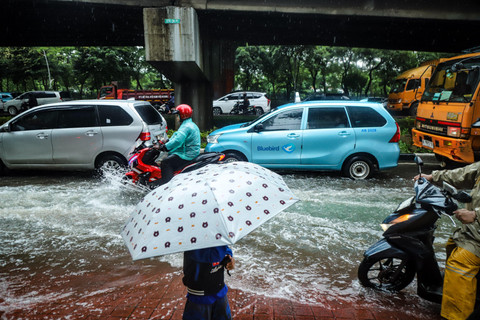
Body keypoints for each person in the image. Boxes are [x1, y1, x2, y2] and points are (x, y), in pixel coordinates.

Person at [414, 162, 480, 320]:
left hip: (477, 234)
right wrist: (433, 177)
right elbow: (463, 173)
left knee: (459, 263)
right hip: (474, 230)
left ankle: (455, 316)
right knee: (452, 244)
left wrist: (476, 215)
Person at [150, 104, 200, 188]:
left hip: (187, 154)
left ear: (182, 115)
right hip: (189, 152)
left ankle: (167, 186)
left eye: (177, 115)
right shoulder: (189, 124)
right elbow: (177, 136)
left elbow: (178, 141)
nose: (176, 117)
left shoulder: (186, 127)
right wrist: (167, 141)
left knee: (165, 162)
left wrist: (164, 147)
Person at [182, 246, 235, 320]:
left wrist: (229, 256)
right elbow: (211, 255)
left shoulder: (217, 236)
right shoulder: (191, 242)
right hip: (199, 296)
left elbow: (225, 246)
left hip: (219, 290)